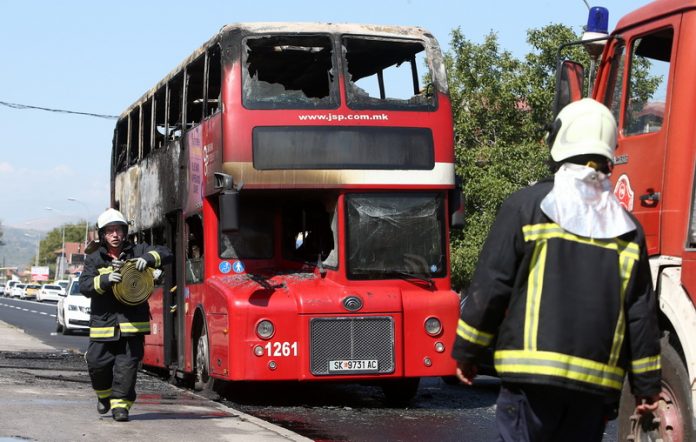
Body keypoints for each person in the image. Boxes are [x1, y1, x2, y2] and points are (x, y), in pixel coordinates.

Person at [452, 98, 662, 441]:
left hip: (530, 383)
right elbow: (640, 315)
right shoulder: (628, 229)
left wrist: (467, 351)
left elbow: (492, 285)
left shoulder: (525, 207)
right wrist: (647, 384)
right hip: (593, 391)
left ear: (560, 141)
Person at [79, 208, 172, 422]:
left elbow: (167, 253)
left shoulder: (137, 250)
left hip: (132, 325)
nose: (114, 235)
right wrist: (104, 280)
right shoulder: (94, 258)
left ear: (124, 232)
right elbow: (84, 286)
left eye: (118, 230)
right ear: (102, 234)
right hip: (103, 324)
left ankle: (121, 407)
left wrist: (149, 258)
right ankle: (103, 396)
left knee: (126, 368)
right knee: (96, 364)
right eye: (109, 231)